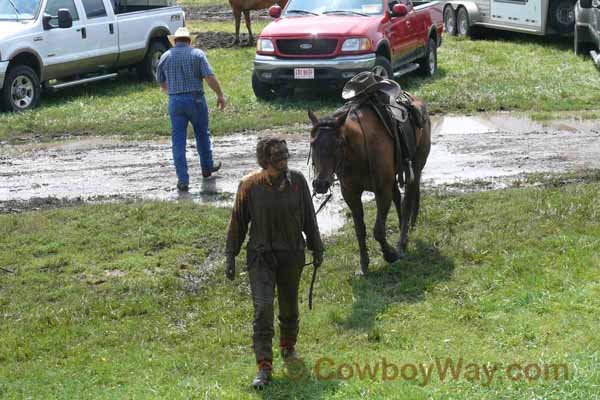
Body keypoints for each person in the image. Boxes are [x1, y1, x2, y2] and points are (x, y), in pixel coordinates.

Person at [225, 137, 324, 390]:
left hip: (291, 254)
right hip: (261, 257)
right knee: (263, 308)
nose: (284, 157)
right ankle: (264, 367)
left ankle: (288, 348)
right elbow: (237, 222)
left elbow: (309, 218)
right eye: (278, 154)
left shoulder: (298, 182)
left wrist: (317, 246)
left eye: (285, 153)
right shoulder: (249, 185)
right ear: (265, 159)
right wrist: (230, 255)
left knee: (289, 306)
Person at [156, 27, 226, 192]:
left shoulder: (165, 57)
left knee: (178, 141)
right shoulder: (197, 54)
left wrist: (172, 93)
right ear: (189, 41)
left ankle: (183, 180)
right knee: (202, 134)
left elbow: (161, 82)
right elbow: (209, 77)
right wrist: (220, 94)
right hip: (195, 99)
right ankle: (207, 168)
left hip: (175, 101)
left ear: (175, 41)